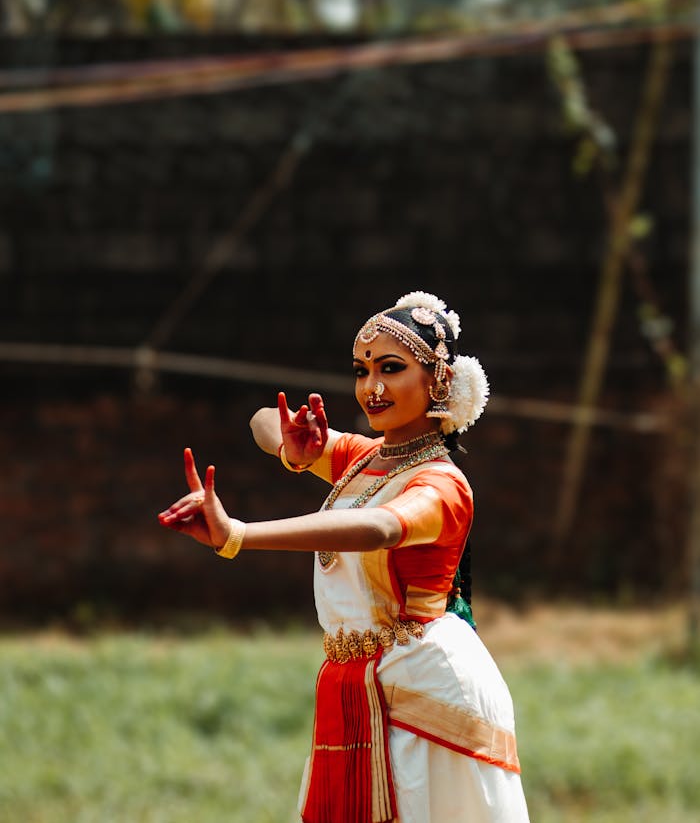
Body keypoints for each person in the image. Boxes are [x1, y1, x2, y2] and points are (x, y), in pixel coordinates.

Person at [158, 290, 530, 823]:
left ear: (439, 383)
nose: (372, 388)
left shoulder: (443, 483)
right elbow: (262, 420)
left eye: (392, 369)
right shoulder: (366, 459)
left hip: (425, 693)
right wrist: (296, 448)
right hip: (356, 686)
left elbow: (379, 528)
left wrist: (240, 534)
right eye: (362, 370)